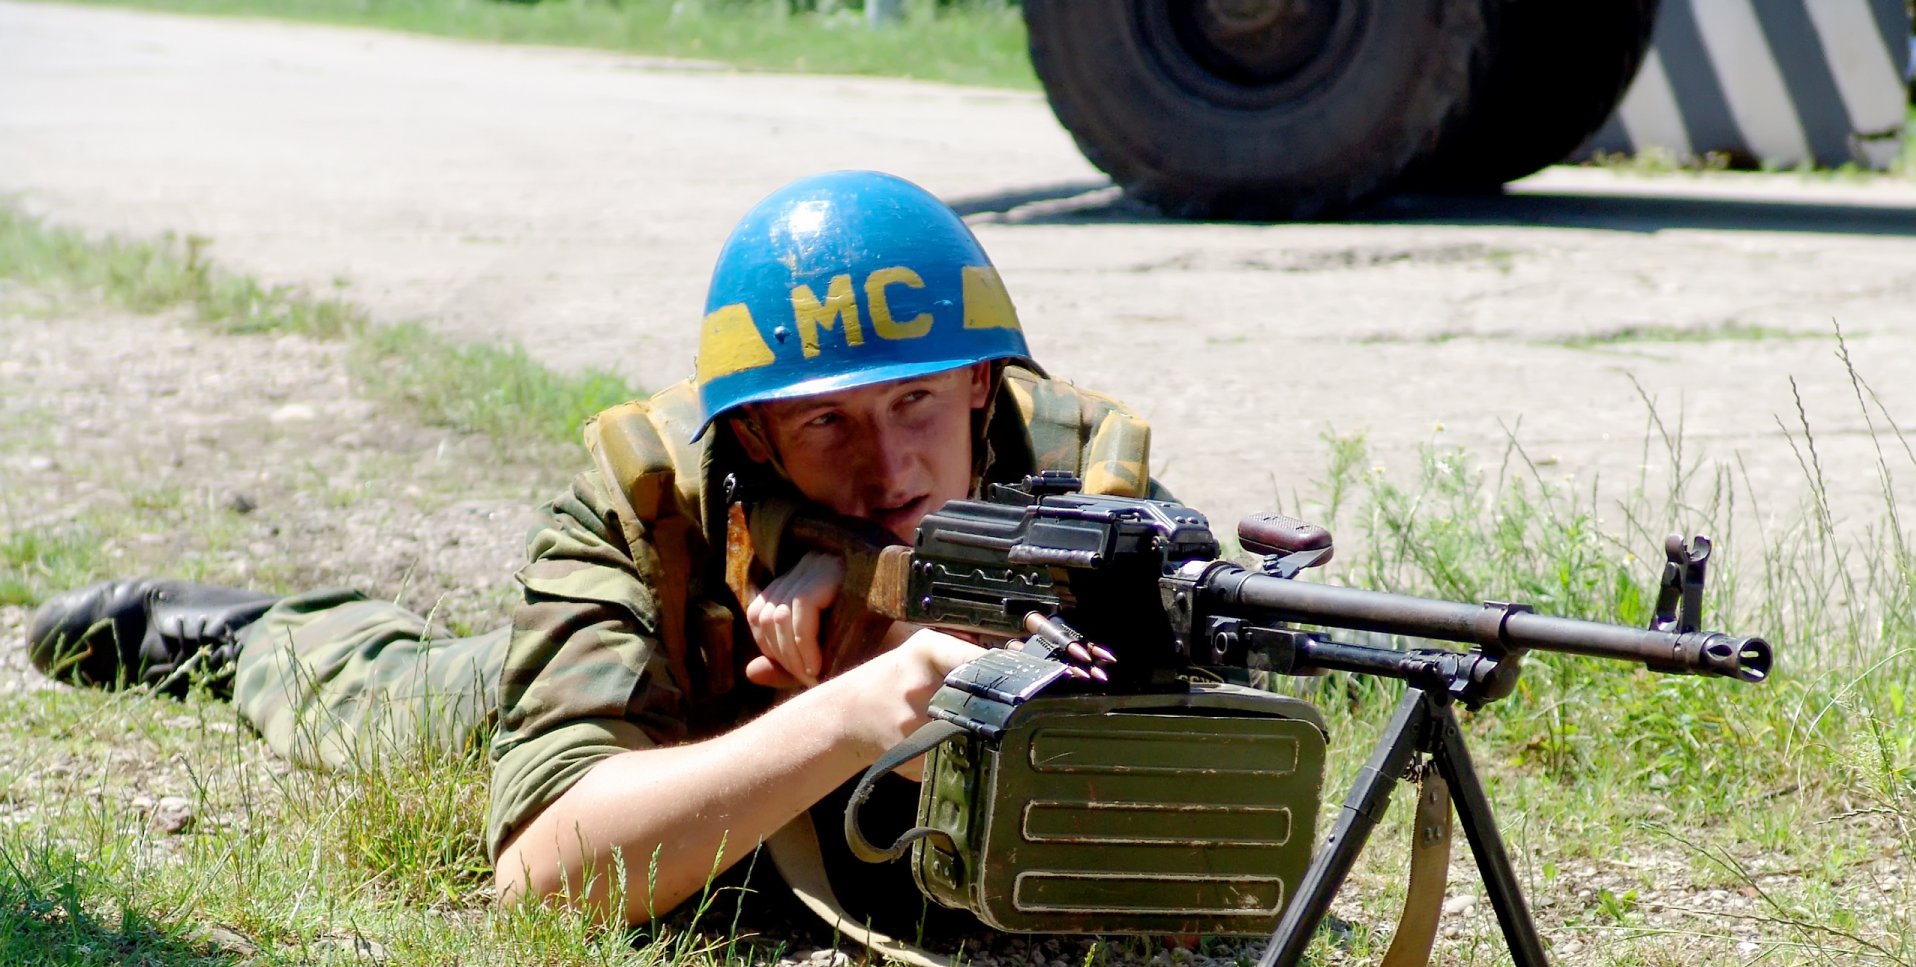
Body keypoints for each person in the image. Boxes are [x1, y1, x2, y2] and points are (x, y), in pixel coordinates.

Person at [26, 171, 1158, 924]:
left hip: (746, 773)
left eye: (915, 401)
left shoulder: (1097, 508)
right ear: (757, 431)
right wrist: (864, 711)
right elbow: (542, 872)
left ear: (977, 380)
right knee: (397, 695)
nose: (889, 468)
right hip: (658, 707)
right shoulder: (652, 498)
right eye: (827, 422)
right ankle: (251, 635)